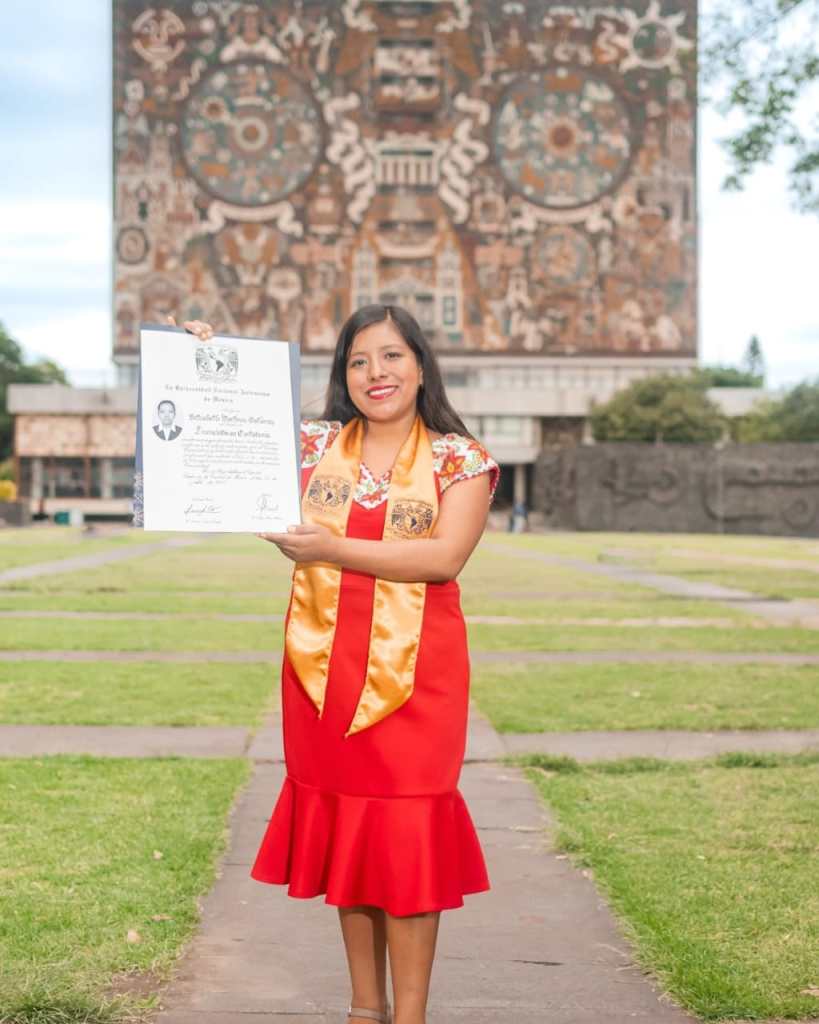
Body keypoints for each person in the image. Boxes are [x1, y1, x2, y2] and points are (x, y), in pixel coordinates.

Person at [174, 306, 499, 1024]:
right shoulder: (311, 445)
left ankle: (407, 1016)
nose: (375, 374)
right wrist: (201, 364)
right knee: (353, 836)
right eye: (358, 361)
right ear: (340, 373)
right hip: (319, 670)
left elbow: (443, 559)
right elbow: (211, 431)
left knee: (407, 838)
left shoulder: (458, 458)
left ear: (419, 365)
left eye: (390, 357)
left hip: (417, 677)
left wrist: (328, 549)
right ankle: (362, 1009)